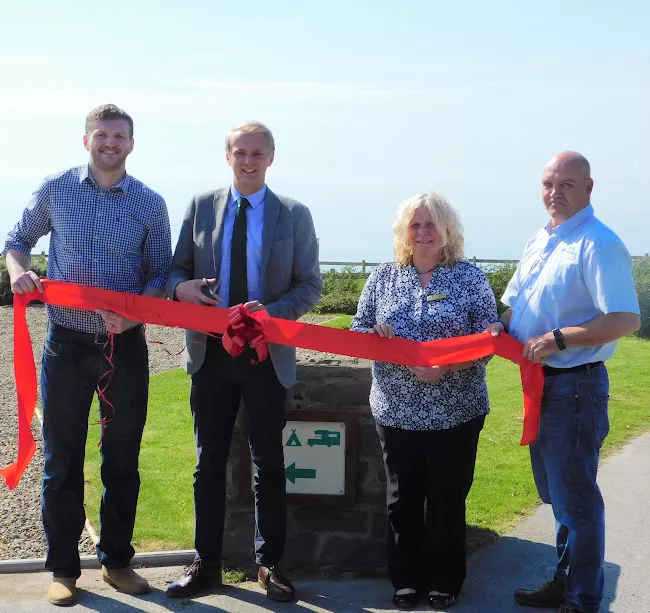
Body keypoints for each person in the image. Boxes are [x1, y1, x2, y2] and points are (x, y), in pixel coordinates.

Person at [3, 104, 172, 606]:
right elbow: (16, 242)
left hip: (126, 348)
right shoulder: (55, 188)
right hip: (66, 346)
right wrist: (18, 271)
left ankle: (117, 562)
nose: (109, 144)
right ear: (86, 141)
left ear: (131, 145)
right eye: (101, 135)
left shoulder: (150, 203)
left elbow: (159, 276)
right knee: (61, 461)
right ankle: (63, 570)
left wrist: (137, 314)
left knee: (122, 459)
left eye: (119, 137)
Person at [165, 121, 321, 602]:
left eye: (257, 153)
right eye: (239, 152)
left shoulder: (294, 215)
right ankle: (205, 564)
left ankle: (269, 565)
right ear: (227, 156)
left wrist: (269, 316)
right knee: (207, 464)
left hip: (265, 356)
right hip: (210, 354)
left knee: (269, 464)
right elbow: (177, 270)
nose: (248, 161)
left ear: (271, 158)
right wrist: (179, 289)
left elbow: (309, 285)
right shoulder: (198, 207)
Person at [487, 151, 640, 613]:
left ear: (589, 189)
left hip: (576, 386)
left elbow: (625, 318)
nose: (555, 194)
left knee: (577, 502)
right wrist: (499, 327)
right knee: (557, 495)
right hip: (543, 385)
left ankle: (582, 600)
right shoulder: (541, 238)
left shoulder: (598, 243)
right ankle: (566, 583)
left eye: (567, 185)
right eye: (549, 184)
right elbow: (515, 305)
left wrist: (557, 338)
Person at [351, 192, 498, 610]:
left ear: (448, 229)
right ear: (404, 232)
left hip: (457, 411)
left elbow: (489, 340)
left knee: (448, 500)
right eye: (415, 225)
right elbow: (357, 330)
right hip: (395, 410)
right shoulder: (384, 276)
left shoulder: (469, 278)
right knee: (402, 500)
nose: (423, 232)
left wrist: (448, 367)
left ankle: (444, 580)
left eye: (431, 224)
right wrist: (376, 334)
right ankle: (405, 580)